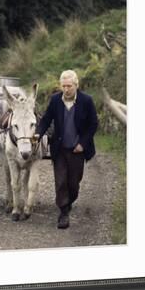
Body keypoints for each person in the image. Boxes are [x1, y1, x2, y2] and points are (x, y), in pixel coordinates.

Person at [37, 70, 98, 229]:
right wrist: (37, 134)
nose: (66, 89)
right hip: (60, 148)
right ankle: (63, 212)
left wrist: (83, 144)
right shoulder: (56, 100)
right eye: (63, 86)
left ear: (76, 85)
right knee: (60, 181)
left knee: (74, 184)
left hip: (77, 149)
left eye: (69, 86)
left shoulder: (86, 101)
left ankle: (69, 200)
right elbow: (46, 119)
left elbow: (93, 124)